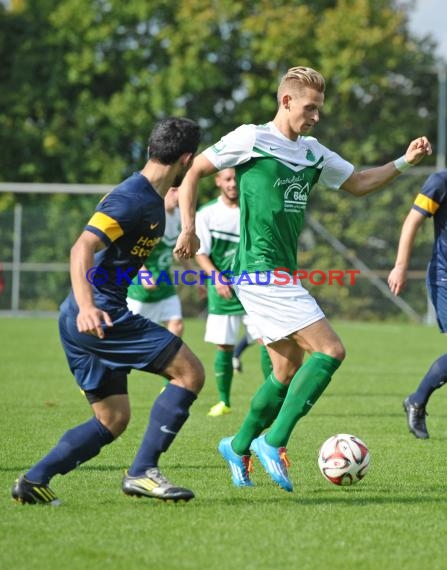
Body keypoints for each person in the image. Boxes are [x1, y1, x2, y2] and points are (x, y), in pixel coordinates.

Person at [174, 66, 431, 492]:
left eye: (320, 110)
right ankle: (273, 442)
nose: (315, 116)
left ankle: (237, 446)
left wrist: (405, 161)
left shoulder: (313, 152)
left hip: (277, 275)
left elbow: (361, 182)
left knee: (285, 369)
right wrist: (188, 227)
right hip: (260, 273)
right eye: (309, 108)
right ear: (286, 101)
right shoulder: (250, 138)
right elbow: (192, 172)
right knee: (330, 351)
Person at [12, 117, 204, 505]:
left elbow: (188, 190)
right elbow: (81, 247)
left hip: (82, 317)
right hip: (99, 314)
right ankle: (143, 472)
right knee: (190, 373)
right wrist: (87, 306)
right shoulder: (132, 198)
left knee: (112, 419)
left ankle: (33, 481)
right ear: (186, 158)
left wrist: (187, 227)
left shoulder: (154, 193)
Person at [195, 168, 272, 416]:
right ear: (218, 181)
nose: (232, 184)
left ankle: (272, 399)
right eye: (227, 179)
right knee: (225, 347)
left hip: (253, 289)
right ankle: (224, 402)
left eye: (236, 179)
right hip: (223, 290)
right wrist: (216, 278)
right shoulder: (207, 214)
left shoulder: (253, 210)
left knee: (267, 341)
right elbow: (201, 253)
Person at [388, 169, 447, 439]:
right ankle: (418, 400)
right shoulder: (440, 181)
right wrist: (400, 266)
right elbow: (412, 221)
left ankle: (417, 399)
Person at [126, 186, 205, 339]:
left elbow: (179, 254)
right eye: (174, 190)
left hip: (165, 285)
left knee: (177, 326)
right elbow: (131, 249)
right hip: (140, 290)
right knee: (133, 338)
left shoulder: (180, 218)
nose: (178, 194)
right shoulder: (151, 217)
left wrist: (196, 279)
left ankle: (165, 362)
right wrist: (144, 274)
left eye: (181, 190)